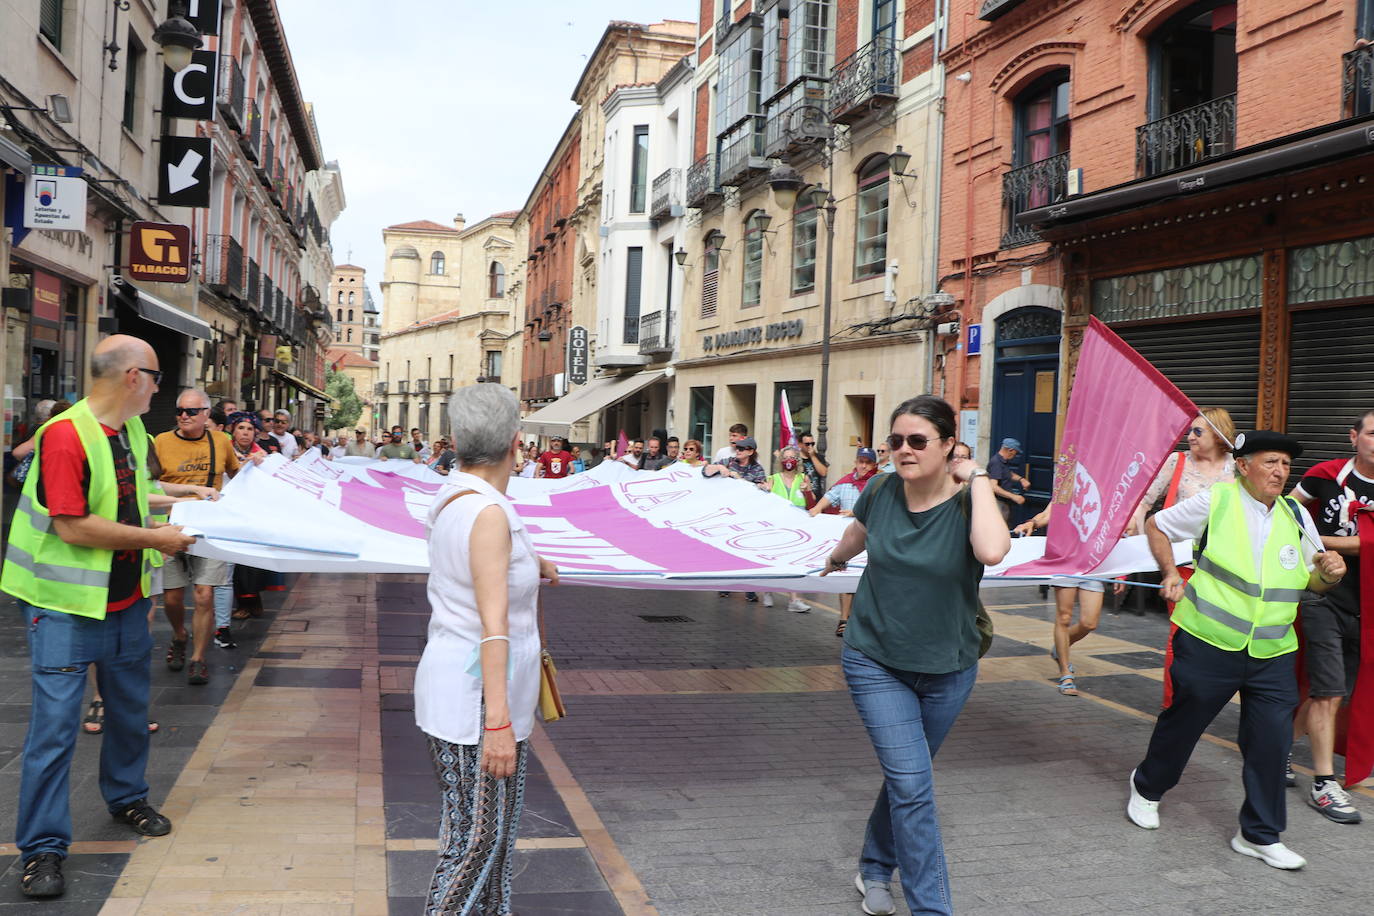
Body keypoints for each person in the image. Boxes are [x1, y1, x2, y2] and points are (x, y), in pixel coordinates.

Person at [2, 335, 196, 898]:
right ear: (134, 377)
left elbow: (132, 493)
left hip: (124, 603)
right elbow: (73, 524)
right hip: (63, 609)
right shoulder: (65, 436)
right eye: (157, 377)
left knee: (131, 713)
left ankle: (127, 798)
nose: (160, 389)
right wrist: (159, 539)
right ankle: (41, 850)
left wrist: (187, 494)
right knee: (54, 734)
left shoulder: (130, 430)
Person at [821, 394, 1009, 916]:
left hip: (950, 668)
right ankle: (932, 909)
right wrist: (835, 558)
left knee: (910, 779)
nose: (904, 450)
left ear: (949, 446)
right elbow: (860, 532)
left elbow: (992, 552)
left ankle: (875, 867)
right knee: (912, 784)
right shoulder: (880, 488)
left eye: (918, 441)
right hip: (875, 659)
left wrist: (977, 479)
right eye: (896, 441)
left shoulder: (973, 499)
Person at [1128, 430, 1345, 871]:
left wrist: (1331, 575)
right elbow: (1158, 525)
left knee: (1269, 741)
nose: (1279, 472)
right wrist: (1170, 572)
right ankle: (1147, 787)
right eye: (1270, 462)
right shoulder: (1217, 500)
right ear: (1243, 465)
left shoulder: (1296, 515)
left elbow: (1311, 580)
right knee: (1184, 725)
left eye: (1285, 465)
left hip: (1272, 652)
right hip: (1209, 641)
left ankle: (1259, 834)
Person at [415, 383, 558, 914]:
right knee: (475, 845)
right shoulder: (489, 515)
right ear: (517, 442)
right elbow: (493, 627)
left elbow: (486, 553)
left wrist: (533, 561)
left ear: (456, 439)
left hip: (470, 689)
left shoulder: (458, 496)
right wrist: (497, 722)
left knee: (491, 841)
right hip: (478, 697)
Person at [1289, 409, 1374, 822]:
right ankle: (1324, 783)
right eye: (1373, 433)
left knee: (1336, 691)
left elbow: (1367, 543)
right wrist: (1308, 549)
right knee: (1328, 690)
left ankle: (1275, 749)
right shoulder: (1325, 473)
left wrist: (1319, 541)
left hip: (1369, 607)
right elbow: (1289, 510)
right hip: (1323, 596)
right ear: (1353, 437)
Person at [1132, 407, 1237, 708]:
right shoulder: (1176, 462)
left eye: (1197, 431)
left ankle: (1203, 698)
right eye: (1190, 430)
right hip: (1182, 565)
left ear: (1219, 436)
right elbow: (1144, 504)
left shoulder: (1238, 468)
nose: (1189, 436)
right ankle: (1173, 703)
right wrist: (1140, 546)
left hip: (1226, 567)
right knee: (1181, 634)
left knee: (1216, 635)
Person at [154, 390, 241, 686]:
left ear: (206, 414)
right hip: (170, 525)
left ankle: (198, 658)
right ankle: (180, 634)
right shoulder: (161, 442)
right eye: (180, 410)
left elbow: (238, 474)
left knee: (204, 594)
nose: (184, 416)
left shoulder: (221, 442)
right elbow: (151, 483)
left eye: (191, 411)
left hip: (209, 526)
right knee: (173, 596)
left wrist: (259, 464)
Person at [1015, 505, 1125, 696]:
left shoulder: (1107, 485)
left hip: (1092, 561)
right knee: (1064, 617)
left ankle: (1060, 647)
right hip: (1065, 558)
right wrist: (1031, 523)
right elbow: (1048, 514)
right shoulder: (1066, 483)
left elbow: (1120, 526)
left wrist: (1120, 571)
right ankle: (1066, 673)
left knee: (1089, 623)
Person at [810, 448, 881, 636]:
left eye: (867, 462)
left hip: (868, 541)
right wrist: (816, 510)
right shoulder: (846, 483)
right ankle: (843, 619)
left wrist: (856, 513)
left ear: (874, 464)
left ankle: (860, 619)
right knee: (845, 576)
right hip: (848, 541)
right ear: (856, 462)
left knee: (864, 581)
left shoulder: (877, 485)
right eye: (860, 461)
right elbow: (829, 498)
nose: (863, 465)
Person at [762, 446, 812, 613]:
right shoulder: (773, 478)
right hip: (776, 524)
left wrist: (808, 491)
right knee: (773, 559)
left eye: (792, 457)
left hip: (796, 527)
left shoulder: (803, 478)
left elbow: (811, 503)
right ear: (781, 460)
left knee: (793, 561)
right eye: (786, 457)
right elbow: (764, 499)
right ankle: (768, 590)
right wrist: (765, 490)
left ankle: (794, 599)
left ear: (797, 460)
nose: (789, 460)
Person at [986, 437, 1029, 524]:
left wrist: (1021, 480)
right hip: (998, 503)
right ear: (1011, 450)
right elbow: (993, 487)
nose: (1015, 455)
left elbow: (1008, 474)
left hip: (1004, 502)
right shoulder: (996, 463)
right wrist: (1014, 496)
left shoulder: (1003, 461)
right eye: (1015, 453)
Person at [798, 430, 828, 494]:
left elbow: (823, 473)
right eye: (807, 444)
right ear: (800, 445)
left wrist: (813, 456)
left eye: (812, 444)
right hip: (800, 495)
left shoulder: (818, 457)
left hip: (816, 496)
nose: (810, 446)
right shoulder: (796, 458)